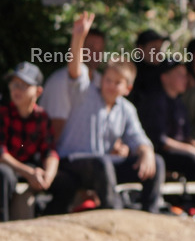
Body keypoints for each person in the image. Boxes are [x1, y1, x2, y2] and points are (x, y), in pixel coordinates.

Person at [50, 13, 165, 214]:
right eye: (108, 80)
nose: (110, 85)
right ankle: (114, 213)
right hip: (73, 161)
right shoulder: (85, 93)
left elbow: (138, 138)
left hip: (103, 165)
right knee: (102, 163)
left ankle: (150, 213)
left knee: (157, 161)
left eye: (117, 82)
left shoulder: (126, 109)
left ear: (127, 89)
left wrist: (146, 152)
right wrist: (78, 37)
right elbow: (75, 69)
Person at [0, 62, 58, 221]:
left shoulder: (42, 117)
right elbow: (1, 154)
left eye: (24, 85)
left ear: (38, 91)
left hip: (27, 169)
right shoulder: (3, 113)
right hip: (9, 169)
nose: (17, 89)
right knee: (3, 174)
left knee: (65, 181)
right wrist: (29, 173)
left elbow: (50, 151)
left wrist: (48, 176)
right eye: (14, 84)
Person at [136, 60, 195, 183]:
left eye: (185, 74)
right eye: (180, 74)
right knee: (192, 161)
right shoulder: (155, 102)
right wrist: (189, 149)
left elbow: (186, 135)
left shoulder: (180, 103)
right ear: (165, 77)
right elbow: (161, 140)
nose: (185, 79)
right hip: (162, 153)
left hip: (180, 149)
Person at [40, 24, 105, 140]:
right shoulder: (59, 81)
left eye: (99, 50)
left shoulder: (102, 82)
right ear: (79, 48)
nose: (95, 54)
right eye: (90, 48)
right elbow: (55, 130)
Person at [130, 28, 169, 100]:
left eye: (159, 49)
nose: (158, 53)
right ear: (140, 49)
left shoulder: (166, 69)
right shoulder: (131, 71)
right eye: (154, 49)